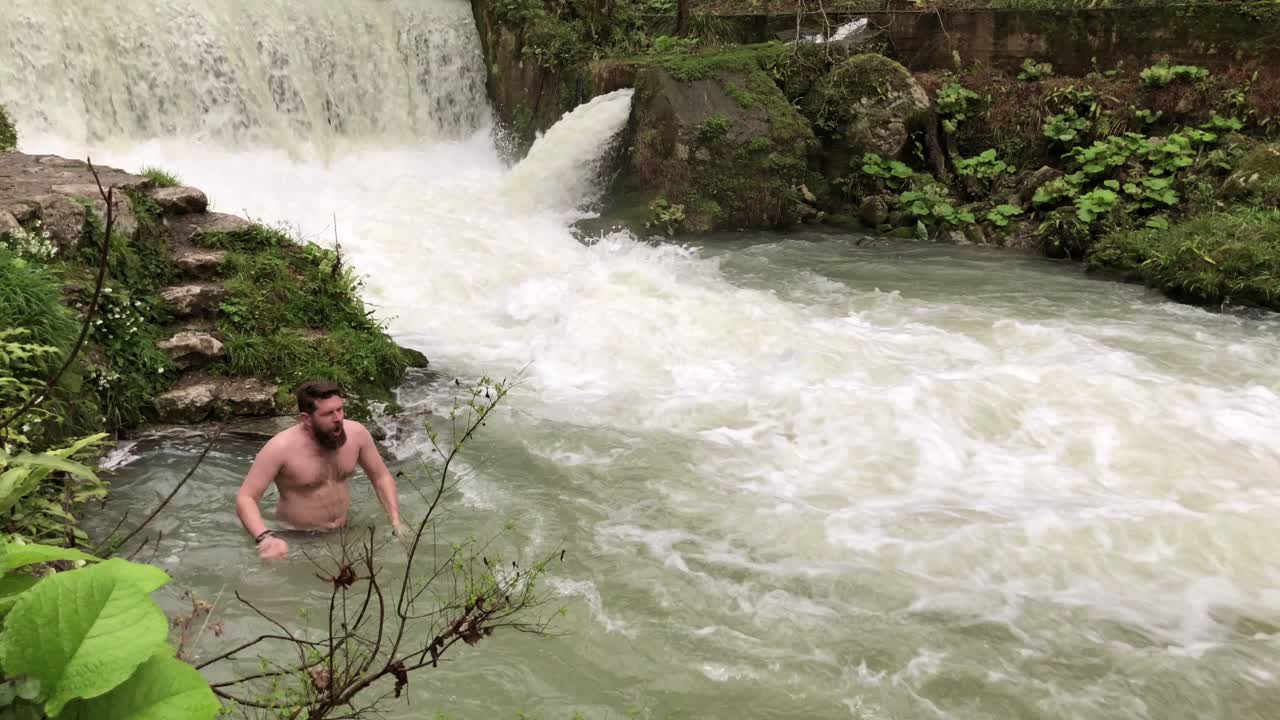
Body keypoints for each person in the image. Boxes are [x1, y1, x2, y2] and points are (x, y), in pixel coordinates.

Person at [235, 380, 403, 560]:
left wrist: (395, 521)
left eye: (340, 409)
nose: (338, 418)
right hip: (298, 540)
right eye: (328, 414)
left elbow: (380, 477)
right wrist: (265, 537)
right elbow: (246, 497)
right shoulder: (280, 448)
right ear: (306, 419)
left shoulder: (357, 434)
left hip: (344, 531)